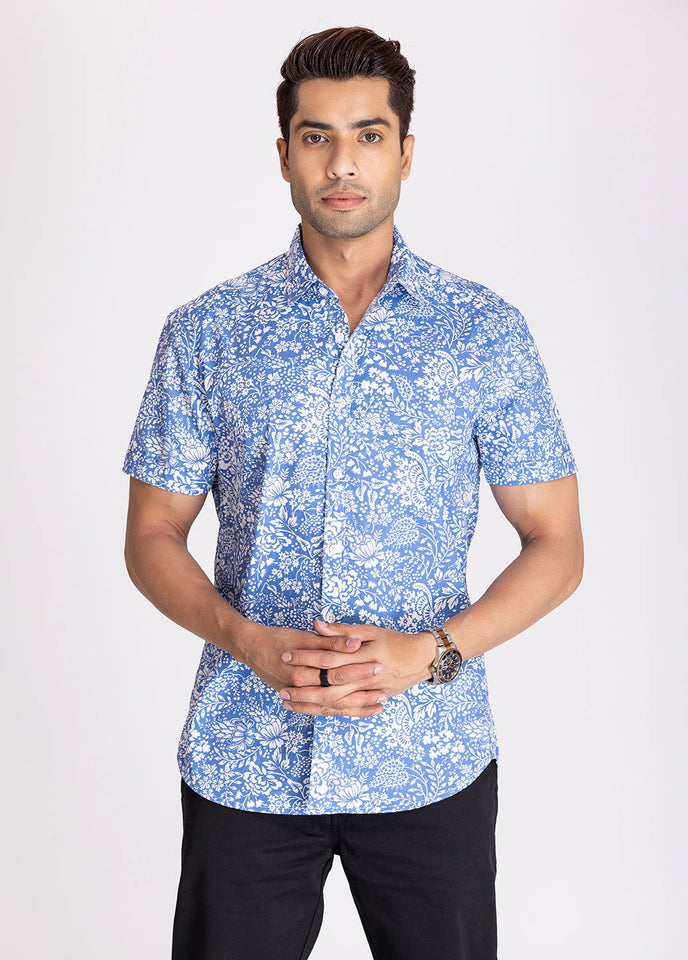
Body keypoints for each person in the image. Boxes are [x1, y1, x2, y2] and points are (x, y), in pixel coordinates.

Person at [122, 24, 584, 960]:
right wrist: (246, 640)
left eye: (369, 135)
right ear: (283, 154)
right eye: (317, 136)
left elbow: (557, 542)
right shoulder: (208, 332)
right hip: (246, 757)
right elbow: (152, 533)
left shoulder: (482, 332)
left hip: (429, 761)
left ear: (405, 153)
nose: (342, 163)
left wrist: (433, 653)